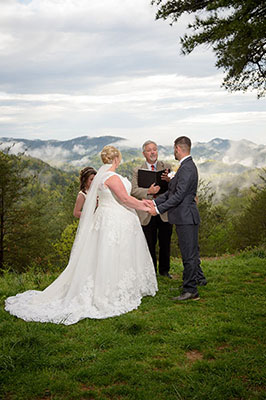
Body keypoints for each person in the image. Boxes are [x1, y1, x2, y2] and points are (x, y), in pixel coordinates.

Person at [5, 146, 158, 325]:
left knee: (105, 255)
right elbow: (124, 199)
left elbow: (125, 198)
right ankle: (110, 290)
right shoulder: (112, 177)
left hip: (106, 218)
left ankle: (114, 285)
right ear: (117, 158)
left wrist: (143, 202)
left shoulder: (102, 177)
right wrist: (148, 207)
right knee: (113, 254)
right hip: (114, 220)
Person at [146, 136, 207, 301]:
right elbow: (171, 193)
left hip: (186, 217)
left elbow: (179, 196)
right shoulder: (185, 166)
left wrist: (158, 210)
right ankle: (192, 282)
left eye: (174, 149)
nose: (174, 152)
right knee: (190, 253)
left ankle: (191, 291)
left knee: (189, 254)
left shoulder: (187, 168)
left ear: (179, 149)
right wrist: (152, 201)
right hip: (184, 217)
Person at [131, 140, 173, 278]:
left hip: (164, 210)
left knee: (165, 242)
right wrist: (148, 191)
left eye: (154, 149)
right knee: (149, 243)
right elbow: (134, 191)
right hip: (146, 211)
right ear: (144, 153)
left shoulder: (166, 167)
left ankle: (164, 270)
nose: (152, 152)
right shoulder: (137, 170)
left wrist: (169, 181)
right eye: (149, 150)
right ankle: (151, 272)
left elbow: (175, 188)